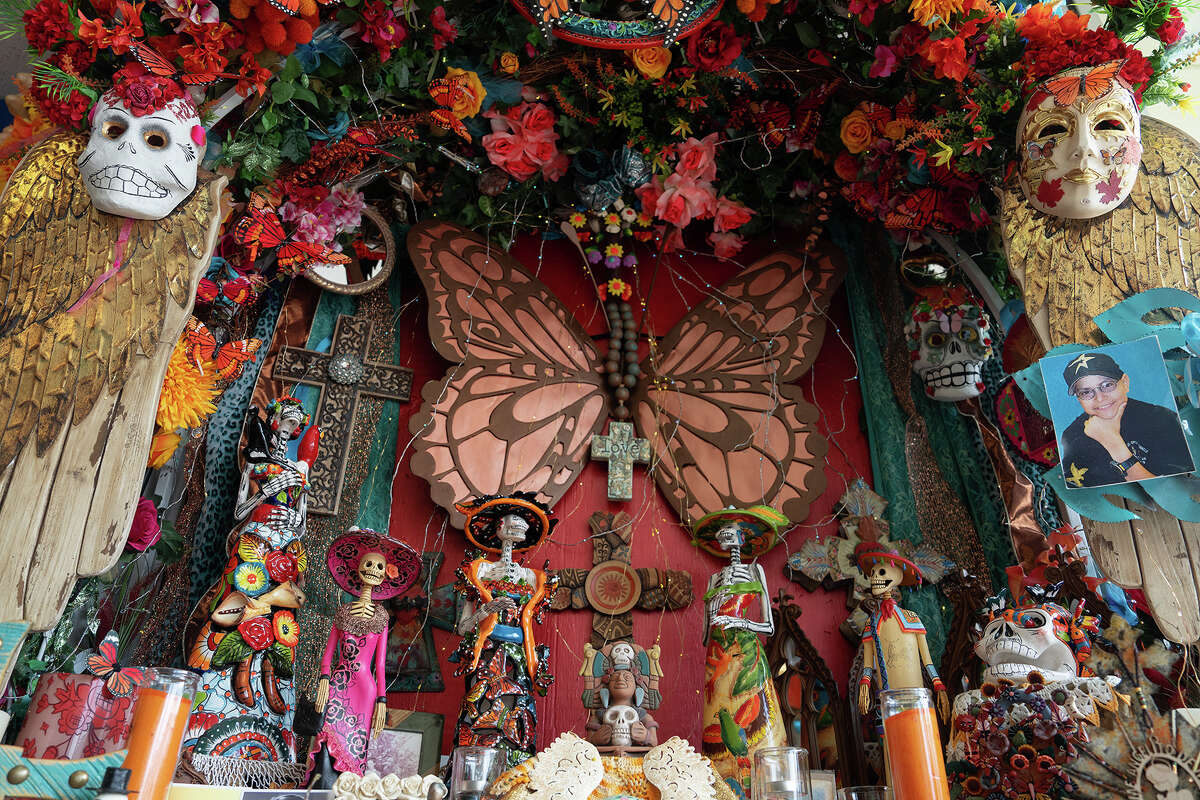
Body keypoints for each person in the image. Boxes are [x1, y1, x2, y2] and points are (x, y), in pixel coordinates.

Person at [1057, 351, 1193, 488]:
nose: (1099, 398)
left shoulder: (1162, 419)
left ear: (1125, 383)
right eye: (1086, 392)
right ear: (1078, 399)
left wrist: (1114, 443)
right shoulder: (1071, 436)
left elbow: (1175, 493)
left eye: (1107, 385)